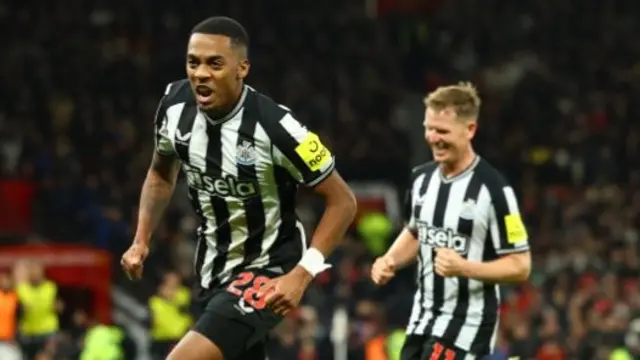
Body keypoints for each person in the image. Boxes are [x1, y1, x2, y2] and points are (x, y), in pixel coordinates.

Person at [120, 16, 357, 360]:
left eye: (215, 63)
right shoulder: (173, 106)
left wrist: (302, 274)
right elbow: (160, 174)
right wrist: (141, 239)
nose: (201, 73)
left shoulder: (277, 127)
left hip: (269, 270)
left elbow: (343, 201)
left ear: (242, 67)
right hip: (212, 275)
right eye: (193, 62)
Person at [370, 83, 531, 360]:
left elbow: (520, 265)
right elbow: (416, 231)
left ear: (469, 130)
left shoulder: (494, 190)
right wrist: (390, 260)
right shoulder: (421, 179)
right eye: (428, 128)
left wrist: (464, 267)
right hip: (423, 320)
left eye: (442, 131)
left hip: (466, 328)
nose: (433, 138)